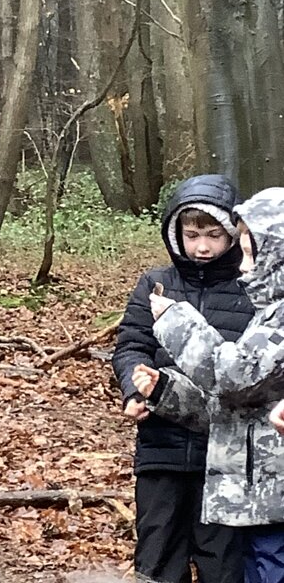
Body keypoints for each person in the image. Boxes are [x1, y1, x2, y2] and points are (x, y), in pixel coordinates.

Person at [133, 187, 284, 583]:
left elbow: (232, 377)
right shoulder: (268, 309)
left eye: (250, 254)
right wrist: (161, 391)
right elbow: (234, 406)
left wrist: (174, 320)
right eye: (192, 235)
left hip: (264, 490)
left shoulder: (275, 313)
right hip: (242, 485)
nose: (244, 267)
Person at [112, 174, 253, 583]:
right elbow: (131, 345)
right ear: (176, 234)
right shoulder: (156, 284)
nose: (202, 247)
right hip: (161, 446)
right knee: (157, 558)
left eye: (213, 235)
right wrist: (133, 390)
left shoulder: (250, 289)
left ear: (232, 234)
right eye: (192, 236)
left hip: (225, 454)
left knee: (222, 562)